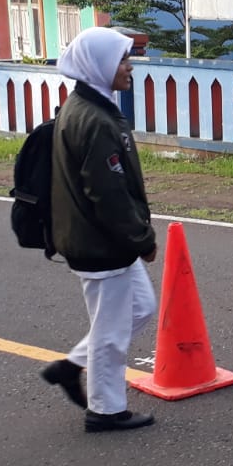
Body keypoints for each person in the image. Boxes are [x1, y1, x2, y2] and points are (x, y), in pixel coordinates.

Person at [40, 26, 160, 432]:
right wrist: (142, 239)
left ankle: (71, 365)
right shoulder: (94, 119)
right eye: (123, 60)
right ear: (100, 65)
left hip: (101, 239)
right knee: (110, 331)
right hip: (100, 244)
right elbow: (108, 195)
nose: (129, 68)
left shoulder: (91, 106)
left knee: (142, 308)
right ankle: (105, 410)